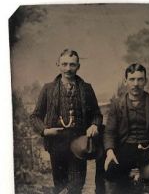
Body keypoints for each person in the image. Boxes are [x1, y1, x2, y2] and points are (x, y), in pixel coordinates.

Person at [30, 49, 103, 194]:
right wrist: (45, 130)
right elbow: (35, 116)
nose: (68, 68)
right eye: (64, 64)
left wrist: (94, 125)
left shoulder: (87, 89)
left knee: (77, 185)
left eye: (72, 65)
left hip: (79, 144)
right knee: (60, 185)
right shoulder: (48, 89)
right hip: (56, 144)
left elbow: (97, 114)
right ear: (58, 65)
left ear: (78, 66)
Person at [103, 63, 149, 193]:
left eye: (140, 79)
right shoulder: (117, 104)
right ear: (125, 81)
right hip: (125, 148)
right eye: (132, 79)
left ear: (145, 81)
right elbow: (109, 131)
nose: (136, 84)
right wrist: (110, 151)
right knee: (112, 172)